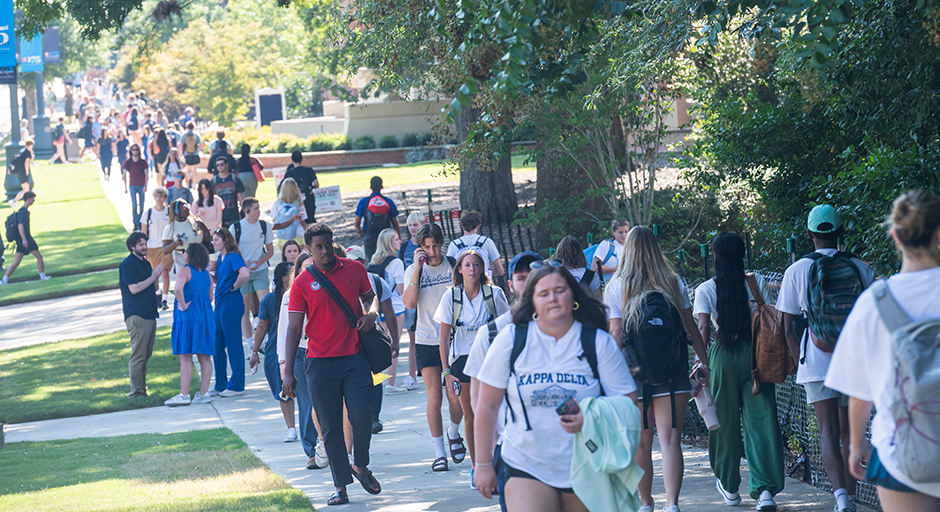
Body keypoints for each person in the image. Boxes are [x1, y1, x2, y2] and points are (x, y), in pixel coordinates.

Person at [473, 261, 638, 510]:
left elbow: (628, 402)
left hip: (587, 463)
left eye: (559, 290)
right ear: (532, 301)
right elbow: (486, 405)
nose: (552, 298)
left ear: (572, 295)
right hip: (525, 464)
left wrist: (591, 416)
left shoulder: (597, 342)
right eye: (543, 293)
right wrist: (483, 465)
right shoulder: (510, 340)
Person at [825, 190, 940, 512]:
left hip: (902, 452)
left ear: (894, 236)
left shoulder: (874, 303)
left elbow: (861, 392)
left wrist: (856, 445)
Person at [605, 226, 710, 512]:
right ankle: (672, 504)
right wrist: (704, 360)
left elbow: (615, 334)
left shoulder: (618, 286)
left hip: (634, 376)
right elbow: (690, 327)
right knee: (670, 441)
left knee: (641, 443)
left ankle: (645, 503)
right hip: (672, 371)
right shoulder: (673, 282)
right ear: (655, 248)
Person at [776, 204, 874, 512]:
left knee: (827, 431)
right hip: (855, 359)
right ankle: (855, 498)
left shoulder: (797, 270)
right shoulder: (861, 267)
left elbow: (787, 325)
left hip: (817, 360)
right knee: (851, 433)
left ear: (809, 234)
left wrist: (800, 361)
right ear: (840, 232)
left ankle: (841, 500)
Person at [281, 223, 386, 506]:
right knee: (330, 427)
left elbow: (370, 297)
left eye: (328, 245)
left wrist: (372, 314)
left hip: (354, 357)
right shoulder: (302, 283)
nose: (325, 251)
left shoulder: (354, 269)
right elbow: (293, 329)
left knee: (363, 416)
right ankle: (340, 485)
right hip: (319, 363)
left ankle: (360, 465)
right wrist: (288, 371)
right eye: (318, 247)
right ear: (308, 249)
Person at [694, 232, 784, 510]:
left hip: (722, 355)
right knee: (762, 420)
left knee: (724, 421)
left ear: (716, 257)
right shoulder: (755, 284)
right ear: (742, 254)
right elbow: (769, 318)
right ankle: (765, 491)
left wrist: (702, 363)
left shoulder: (705, 289)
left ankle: (730, 486)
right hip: (757, 356)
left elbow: (704, 329)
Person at [464, 250, 542, 508]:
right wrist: (486, 458)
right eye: (521, 277)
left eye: (534, 275)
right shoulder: (492, 334)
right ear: (510, 285)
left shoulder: (570, 328)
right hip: (512, 450)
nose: (528, 283)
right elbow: (478, 402)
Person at [435, 248, 510, 483]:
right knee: (471, 415)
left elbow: (508, 328)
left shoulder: (494, 294)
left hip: (491, 359)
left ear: (483, 269)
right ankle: (477, 467)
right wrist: (446, 371)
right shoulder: (451, 297)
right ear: (459, 269)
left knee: (494, 413)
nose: (472, 270)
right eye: (467, 265)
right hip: (463, 361)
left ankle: (496, 462)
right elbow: (444, 338)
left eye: (476, 265)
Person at [402, 222, 464, 472]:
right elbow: (409, 303)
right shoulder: (412, 270)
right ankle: (439, 452)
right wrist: (417, 270)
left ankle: (453, 431)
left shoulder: (452, 266)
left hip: (454, 340)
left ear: (442, 243)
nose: (432, 251)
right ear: (420, 248)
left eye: (435, 245)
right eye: (426, 247)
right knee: (434, 397)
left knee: (455, 395)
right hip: (427, 339)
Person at [250, 261, 313, 445]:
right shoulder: (271, 300)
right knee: (283, 391)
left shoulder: (302, 294)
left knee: (305, 394)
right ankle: (291, 428)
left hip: (301, 349)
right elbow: (261, 326)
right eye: (293, 273)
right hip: (276, 351)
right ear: (285, 277)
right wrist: (254, 351)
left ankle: (305, 429)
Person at [277, 251, 329, 470]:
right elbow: (284, 330)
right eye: (304, 267)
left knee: (326, 402)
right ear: (297, 271)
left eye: (312, 265)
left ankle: (330, 445)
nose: (309, 270)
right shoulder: (290, 295)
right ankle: (311, 449)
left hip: (324, 351)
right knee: (307, 402)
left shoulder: (327, 287)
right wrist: (283, 362)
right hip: (300, 352)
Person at [346, 245, 401, 434]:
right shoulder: (341, 280)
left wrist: (394, 341)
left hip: (371, 335)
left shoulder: (376, 282)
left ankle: (374, 417)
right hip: (349, 336)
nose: (349, 264)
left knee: (376, 376)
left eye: (354, 261)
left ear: (362, 263)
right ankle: (356, 418)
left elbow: (390, 313)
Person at [165, 243, 215, 406]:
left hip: (187, 318)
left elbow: (178, 289)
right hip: (205, 317)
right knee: (205, 357)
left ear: (190, 255)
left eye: (184, 251)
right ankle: (203, 393)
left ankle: (184, 395)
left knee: (185, 356)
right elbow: (210, 297)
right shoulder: (206, 274)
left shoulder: (184, 270)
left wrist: (184, 305)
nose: (183, 254)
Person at [118, 232, 163, 397]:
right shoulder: (128, 265)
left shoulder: (145, 262)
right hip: (137, 315)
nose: (144, 247)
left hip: (149, 313)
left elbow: (154, 287)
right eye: (140, 245)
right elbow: (134, 288)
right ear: (132, 247)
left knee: (145, 354)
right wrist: (153, 276)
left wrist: (156, 276)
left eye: (145, 244)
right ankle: (136, 392)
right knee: (138, 355)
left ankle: (142, 390)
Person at [229, 197, 274, 352]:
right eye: (256, 208)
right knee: (245, 310)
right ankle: (250, 344)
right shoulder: (236, 228)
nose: (259, 211)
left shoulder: (264, 226)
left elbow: (270, 251)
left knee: (266, 304)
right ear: (246, 211)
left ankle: (266, 338)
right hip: (243, 273)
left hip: (260, 271)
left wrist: (260, 262)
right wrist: (242, 264)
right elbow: (230, 252)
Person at [210, 228, 250, 397]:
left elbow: (245, 273)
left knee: (233, 344)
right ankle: (220, 384)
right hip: (219, 304)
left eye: (216, 240)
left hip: (231, 303)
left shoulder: (233, 256)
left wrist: (234, 287)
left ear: (226, 240)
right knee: (217, 345)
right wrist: (210, 272)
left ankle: (236, 385)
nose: (213, 243)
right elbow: (220, 281)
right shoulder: (220, 258)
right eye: (213, 240)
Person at [370, 228, 408, 394]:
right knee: (394, 344)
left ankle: (378, 379)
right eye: (396, 239)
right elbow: (401, 290)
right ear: (389, 243)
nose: (400, 242)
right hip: (396, 309)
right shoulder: (397, 263)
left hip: (379, 309)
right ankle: (391, 384)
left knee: (379, 346)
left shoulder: (374, 261)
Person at [398, 212, 425, 392]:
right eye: (410, 225)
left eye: (416, 224)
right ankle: (411, 375)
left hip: (428, 293)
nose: (413, 228)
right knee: (413, 338)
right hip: (413, 295)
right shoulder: (406, 246)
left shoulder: (428, 246)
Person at [0, 191, 50, 285]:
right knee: (39, 257)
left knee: (16, 262)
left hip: (22, 240)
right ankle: (43, 277)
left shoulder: (22, 211)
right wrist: (24, 239)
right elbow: (20, 225)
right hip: (26, 240)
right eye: (33, 199)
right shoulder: (23, 212)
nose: (33, 201)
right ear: (29, 199)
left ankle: (4, 280)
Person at [446, 210, 504, 282]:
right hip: (485, 286)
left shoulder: (454, 244)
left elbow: (448, 270)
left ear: (461, 226)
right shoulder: (487, 242)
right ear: (479, 225)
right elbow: (500, 271)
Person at [355, 176, 401, 260]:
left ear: (370, 187)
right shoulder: (388, 201)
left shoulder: (364, 201)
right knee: (387, 260)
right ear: (382, 187)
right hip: (386, 237)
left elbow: (357, 222)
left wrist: (359, 232)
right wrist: (398, 238)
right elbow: (395, 223)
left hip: (369, 236)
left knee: (372, 261)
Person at [141, 188, 172, 310]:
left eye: (161, 196)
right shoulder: (147, 213)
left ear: (165, 198)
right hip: (152, 247)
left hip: (165, 247)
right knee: (154, 275)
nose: (158, 199)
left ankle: (165, 299)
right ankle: (158, 293)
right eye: (156, 196)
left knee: (164, 272)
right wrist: (144, 250)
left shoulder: (169, 213)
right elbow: (144, 234)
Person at [161, 199, 208, 274]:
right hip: (182, 260)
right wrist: (175, 244)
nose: (187, 208)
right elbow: (165, 250)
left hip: (199, 257)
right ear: (176, 211)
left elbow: (207, 239)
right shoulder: (170, 228)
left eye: (187, 206)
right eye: (183, 207)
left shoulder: (196, 222)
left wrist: (204, 229)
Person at [283, 151, 319, 224]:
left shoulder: (289, 172)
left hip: (294, 198)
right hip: (308, 196)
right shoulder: (309, 170)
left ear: (292, 159)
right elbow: (316, 184)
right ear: (302, 159)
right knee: (310, 218)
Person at [271, 177, 307, 247]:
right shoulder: (299, 203)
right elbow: (302, 220)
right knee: (299, 257)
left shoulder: (277, 203)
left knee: (285, 257)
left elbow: (274, 219)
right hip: (297, 233)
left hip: (282, 235)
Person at [211, 156, 245, 228]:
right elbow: (211, 199)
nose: (219, 167)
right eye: (217, 165)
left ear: (227, 165)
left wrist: (244, 210)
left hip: (233, 213)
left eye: (221, 164)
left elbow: (240, 196)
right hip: (219, 214)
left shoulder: (235, 179)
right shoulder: (213, 181)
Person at [122, 144, 149, 231]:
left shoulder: (143, 162)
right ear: (131, 151)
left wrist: (145, 186)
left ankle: (140, 223)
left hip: (141, 185)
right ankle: (135, 223)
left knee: (141, 206)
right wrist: (125, 187)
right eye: (133, 150)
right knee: (134, 205)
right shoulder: (128, 162)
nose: (135, 151)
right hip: (132, 185)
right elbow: (124, 175)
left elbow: (146, 174)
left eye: (137, 149)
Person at [7, 140, 34, 210]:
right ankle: (14, 201)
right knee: (25, 189)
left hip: (19, 172)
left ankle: (25, 201)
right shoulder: (27, 152)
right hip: (23, 173)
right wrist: (27, 172)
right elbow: (26, 162)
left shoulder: (22, 151)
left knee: (26, 189)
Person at [179, 121, 201, 186]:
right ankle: (194, 184)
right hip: (195, 154)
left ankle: (189, 180)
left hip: (187, 154)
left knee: (188, 170)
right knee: (194, 170)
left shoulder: (184, 135)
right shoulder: (196, 135)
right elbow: (200, 144)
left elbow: (181, 144)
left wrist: (181, 153)